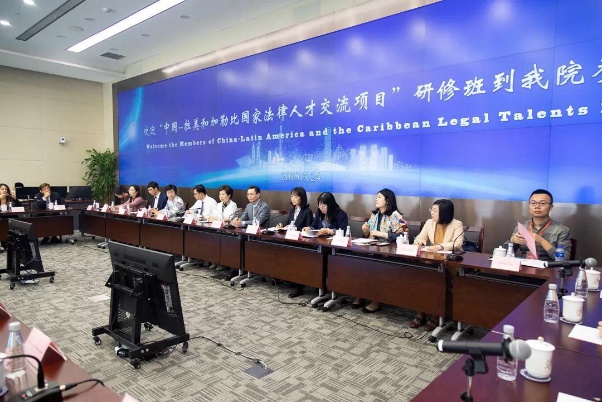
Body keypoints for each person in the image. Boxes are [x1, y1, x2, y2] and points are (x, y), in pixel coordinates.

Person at [410, 199, 464, 330]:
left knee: (437, 281)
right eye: (431, 209)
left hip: (449, 264)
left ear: (444, 212)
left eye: (434, 210)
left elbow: (457, 244)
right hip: (432, 261)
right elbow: (420, 238)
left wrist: (439, 246)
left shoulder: (457, 224)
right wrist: (419, 243)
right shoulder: (429, 223)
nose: (431, 213)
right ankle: (420, 312)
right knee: (421, 279)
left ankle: (436, 315)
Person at [355, 188, 405, 313]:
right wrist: (365, 231)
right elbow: (369, 235)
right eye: (376, 197)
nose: (376, 199)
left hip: (389, 253)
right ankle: (361, 294)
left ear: (387, 200)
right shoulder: (375, 215)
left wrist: (382, 234)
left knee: (375, 265)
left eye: (379, 197)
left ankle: (376, 300)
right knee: (357, 261)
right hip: (374, 249)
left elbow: (403, 235)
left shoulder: (395, 216)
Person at [507, 189, 571, 261]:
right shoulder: (522, 228)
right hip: (524, 266)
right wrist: (511, 240)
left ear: (551, 207)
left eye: (542, 203)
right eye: (533, 203)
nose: (537, 206)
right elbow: (504, 253)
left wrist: (541, 241)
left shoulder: (561, 230)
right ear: (529, 206)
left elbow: (564, 259)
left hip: (548, 267)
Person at [280, 187, 314, 298]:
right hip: (290, 240)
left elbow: (309, 229)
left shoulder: (307, 212)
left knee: (297, 260)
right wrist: (282, 226)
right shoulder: (291, 211)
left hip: (301, 243)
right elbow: (288, 224)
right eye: (292, 196)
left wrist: (297, 229)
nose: (293, 199)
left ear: (302, 198)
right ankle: (289, 279)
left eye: (296, 196)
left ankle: (299, 286)